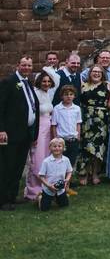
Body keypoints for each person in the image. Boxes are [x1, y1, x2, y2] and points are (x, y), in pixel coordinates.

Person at [0, 56, 40, 210]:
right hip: (10, 133)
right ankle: (3, 200)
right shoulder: (8, 82)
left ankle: (12, 196)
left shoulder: (27, 83)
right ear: (18, 65)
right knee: (7, 167)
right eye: (24, 65)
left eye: (29, 65)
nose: (27, 68)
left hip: (24, 134)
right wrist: (1, 129)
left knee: (17, 167)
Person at [24, 71, 56, 201]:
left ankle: (46, 187)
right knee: (37, 159)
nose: (46, 83)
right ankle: (33, 190)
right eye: (44, 81)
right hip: (38, 129)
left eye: (49, 81)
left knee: (47, 158)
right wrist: (33, 135)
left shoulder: (48, 94)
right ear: (39, 81)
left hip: (48, 129)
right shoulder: (35, 94)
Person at [77, 65, 110, 186]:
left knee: (99, 148)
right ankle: (84, 173)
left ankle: (96, 173)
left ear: (102, 74)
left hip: (102, 121)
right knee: (86, 148)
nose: (96, 74)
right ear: (90, 73)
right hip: (87, 120)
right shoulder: (83, 86)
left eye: (99, 72)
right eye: (94, 72)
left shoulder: (107, 85)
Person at [51, 86, 82, 181]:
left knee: (71, 163)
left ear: (74, 96)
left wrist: (78, 135)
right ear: (61, 96)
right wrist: (55, 138)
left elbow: (78, 123)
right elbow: (54, 125)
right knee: (60, 162)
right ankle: (59, 183)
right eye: (66, 94)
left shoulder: (76, 108)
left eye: (71, 94)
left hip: (73, 139)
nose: (68, 97)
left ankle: (67, 184)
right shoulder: (57, 108)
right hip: (61, 141)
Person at [37, 138, 72, 212]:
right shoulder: (46, 161)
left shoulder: (66, 160)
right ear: (50, 148)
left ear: (63, 148)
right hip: (48, 188)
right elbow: (41, 176)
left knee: (64, 205)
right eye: (54, 146)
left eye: (59, 146)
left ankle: (59, 197)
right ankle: (41, 196)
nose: (57, 148)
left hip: (60, 188)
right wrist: (49, 186)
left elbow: (69, 171)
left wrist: (67, 180)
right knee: (44, 209)